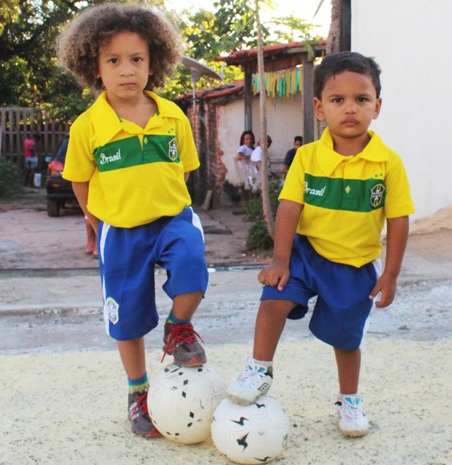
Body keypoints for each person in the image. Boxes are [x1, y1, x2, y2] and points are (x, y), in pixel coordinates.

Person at [225, 51, 415, 438]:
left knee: (347, 339)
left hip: (354, 266)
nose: (350, 109)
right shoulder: (307, 158)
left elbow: (397, 220)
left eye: (361, 100)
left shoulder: (388, 164)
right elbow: (289, 207)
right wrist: (280, 259)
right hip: (305, 254)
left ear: (377, 107)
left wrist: (391, 274)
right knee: (274, 298)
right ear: (319, 107)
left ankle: (350, 401)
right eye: (337, 100)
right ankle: (259, 367)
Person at [56, 3, 208, 438]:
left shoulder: (173, 116)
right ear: (94, 67)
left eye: (137, 59)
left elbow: (181, 171)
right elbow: (80, 180)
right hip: (120, 232)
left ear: (154, 62)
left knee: (193, 269)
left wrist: (162, 199)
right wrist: (95, 220)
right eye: (114, 60)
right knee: (128, 317)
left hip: (172, 218)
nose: (127, 70)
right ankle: (138, 392)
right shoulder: (88, 126)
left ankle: (179, 328)